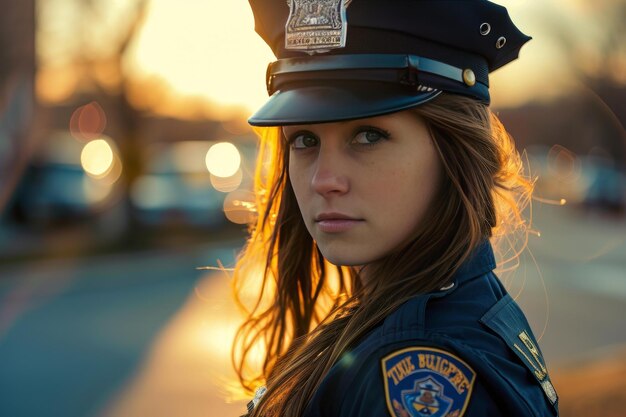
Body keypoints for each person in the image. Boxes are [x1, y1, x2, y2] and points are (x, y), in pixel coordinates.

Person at [231, 1, 559, 416]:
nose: (323, 180)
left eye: (368, 135)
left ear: (454, 150)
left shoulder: (420, 372)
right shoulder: (452, 309)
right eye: (305, 140)